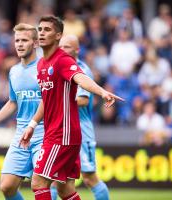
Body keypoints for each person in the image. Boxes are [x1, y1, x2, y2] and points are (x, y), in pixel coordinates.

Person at [19, 15, 123, 200]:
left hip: (62, 134)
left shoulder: (63, 60)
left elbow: (81, 79)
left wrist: (102, 92)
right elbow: (46, 99)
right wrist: (32, 125)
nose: (42, 33)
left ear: (58, 36)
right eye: (40, 29)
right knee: (64, 190)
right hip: (56, 132)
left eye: (47, 30)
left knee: (38, 183)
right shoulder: (42, 64)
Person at [0, 23, 48, 200]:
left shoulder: (45, 68)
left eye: (24, 40)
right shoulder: (14, 71)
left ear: (35, 43)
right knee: (7, 187)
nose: (20, 44)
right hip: (21, 134)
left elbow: (49, 100)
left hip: (45, 133)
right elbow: (13, 102)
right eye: (17, 40)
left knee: (42, 184)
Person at [50, 34, 109, 200]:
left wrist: (55, 104)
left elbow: (82, 100)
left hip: (81, 130)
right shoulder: (56, 67)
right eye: (60, 46)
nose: (62, 50)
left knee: (90, 178)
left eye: (67, 47)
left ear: (77, 50)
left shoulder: (82, 70)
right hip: (61, 130)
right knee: (55, 179)